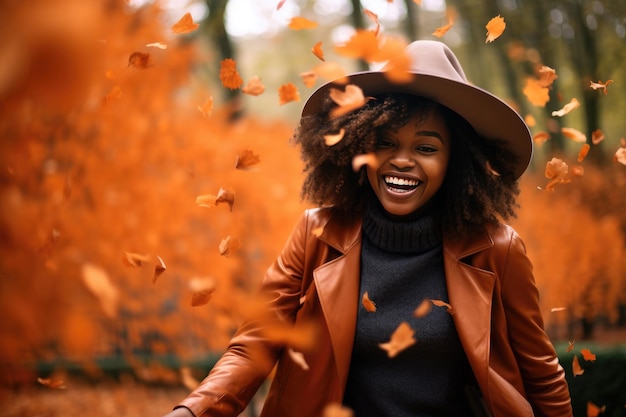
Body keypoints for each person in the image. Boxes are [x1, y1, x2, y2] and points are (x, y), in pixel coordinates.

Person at [163, 40, 573, 417]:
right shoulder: (316, 234)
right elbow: (253, 345)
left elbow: (541, 375)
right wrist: (192, 412)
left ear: (456, 163)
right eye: (385, 143)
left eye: (426, 148)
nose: (402, 161)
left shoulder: (498, 249)